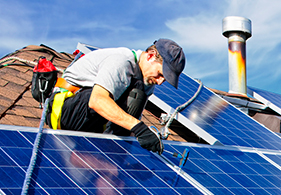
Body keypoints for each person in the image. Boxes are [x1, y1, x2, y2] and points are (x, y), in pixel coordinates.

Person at [46, 39, 185, 153]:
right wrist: (139, 128)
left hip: (90, 120)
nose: (160, 82)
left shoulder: (146, 83)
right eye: (160, 74)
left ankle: (111, 155)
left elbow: (132, 121)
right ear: (150, 56)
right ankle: (106, 154)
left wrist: (141, 150)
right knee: (133, 93)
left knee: (137, 94)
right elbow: (97, 100)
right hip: (64, 110)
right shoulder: (122, 61)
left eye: (164, 79)